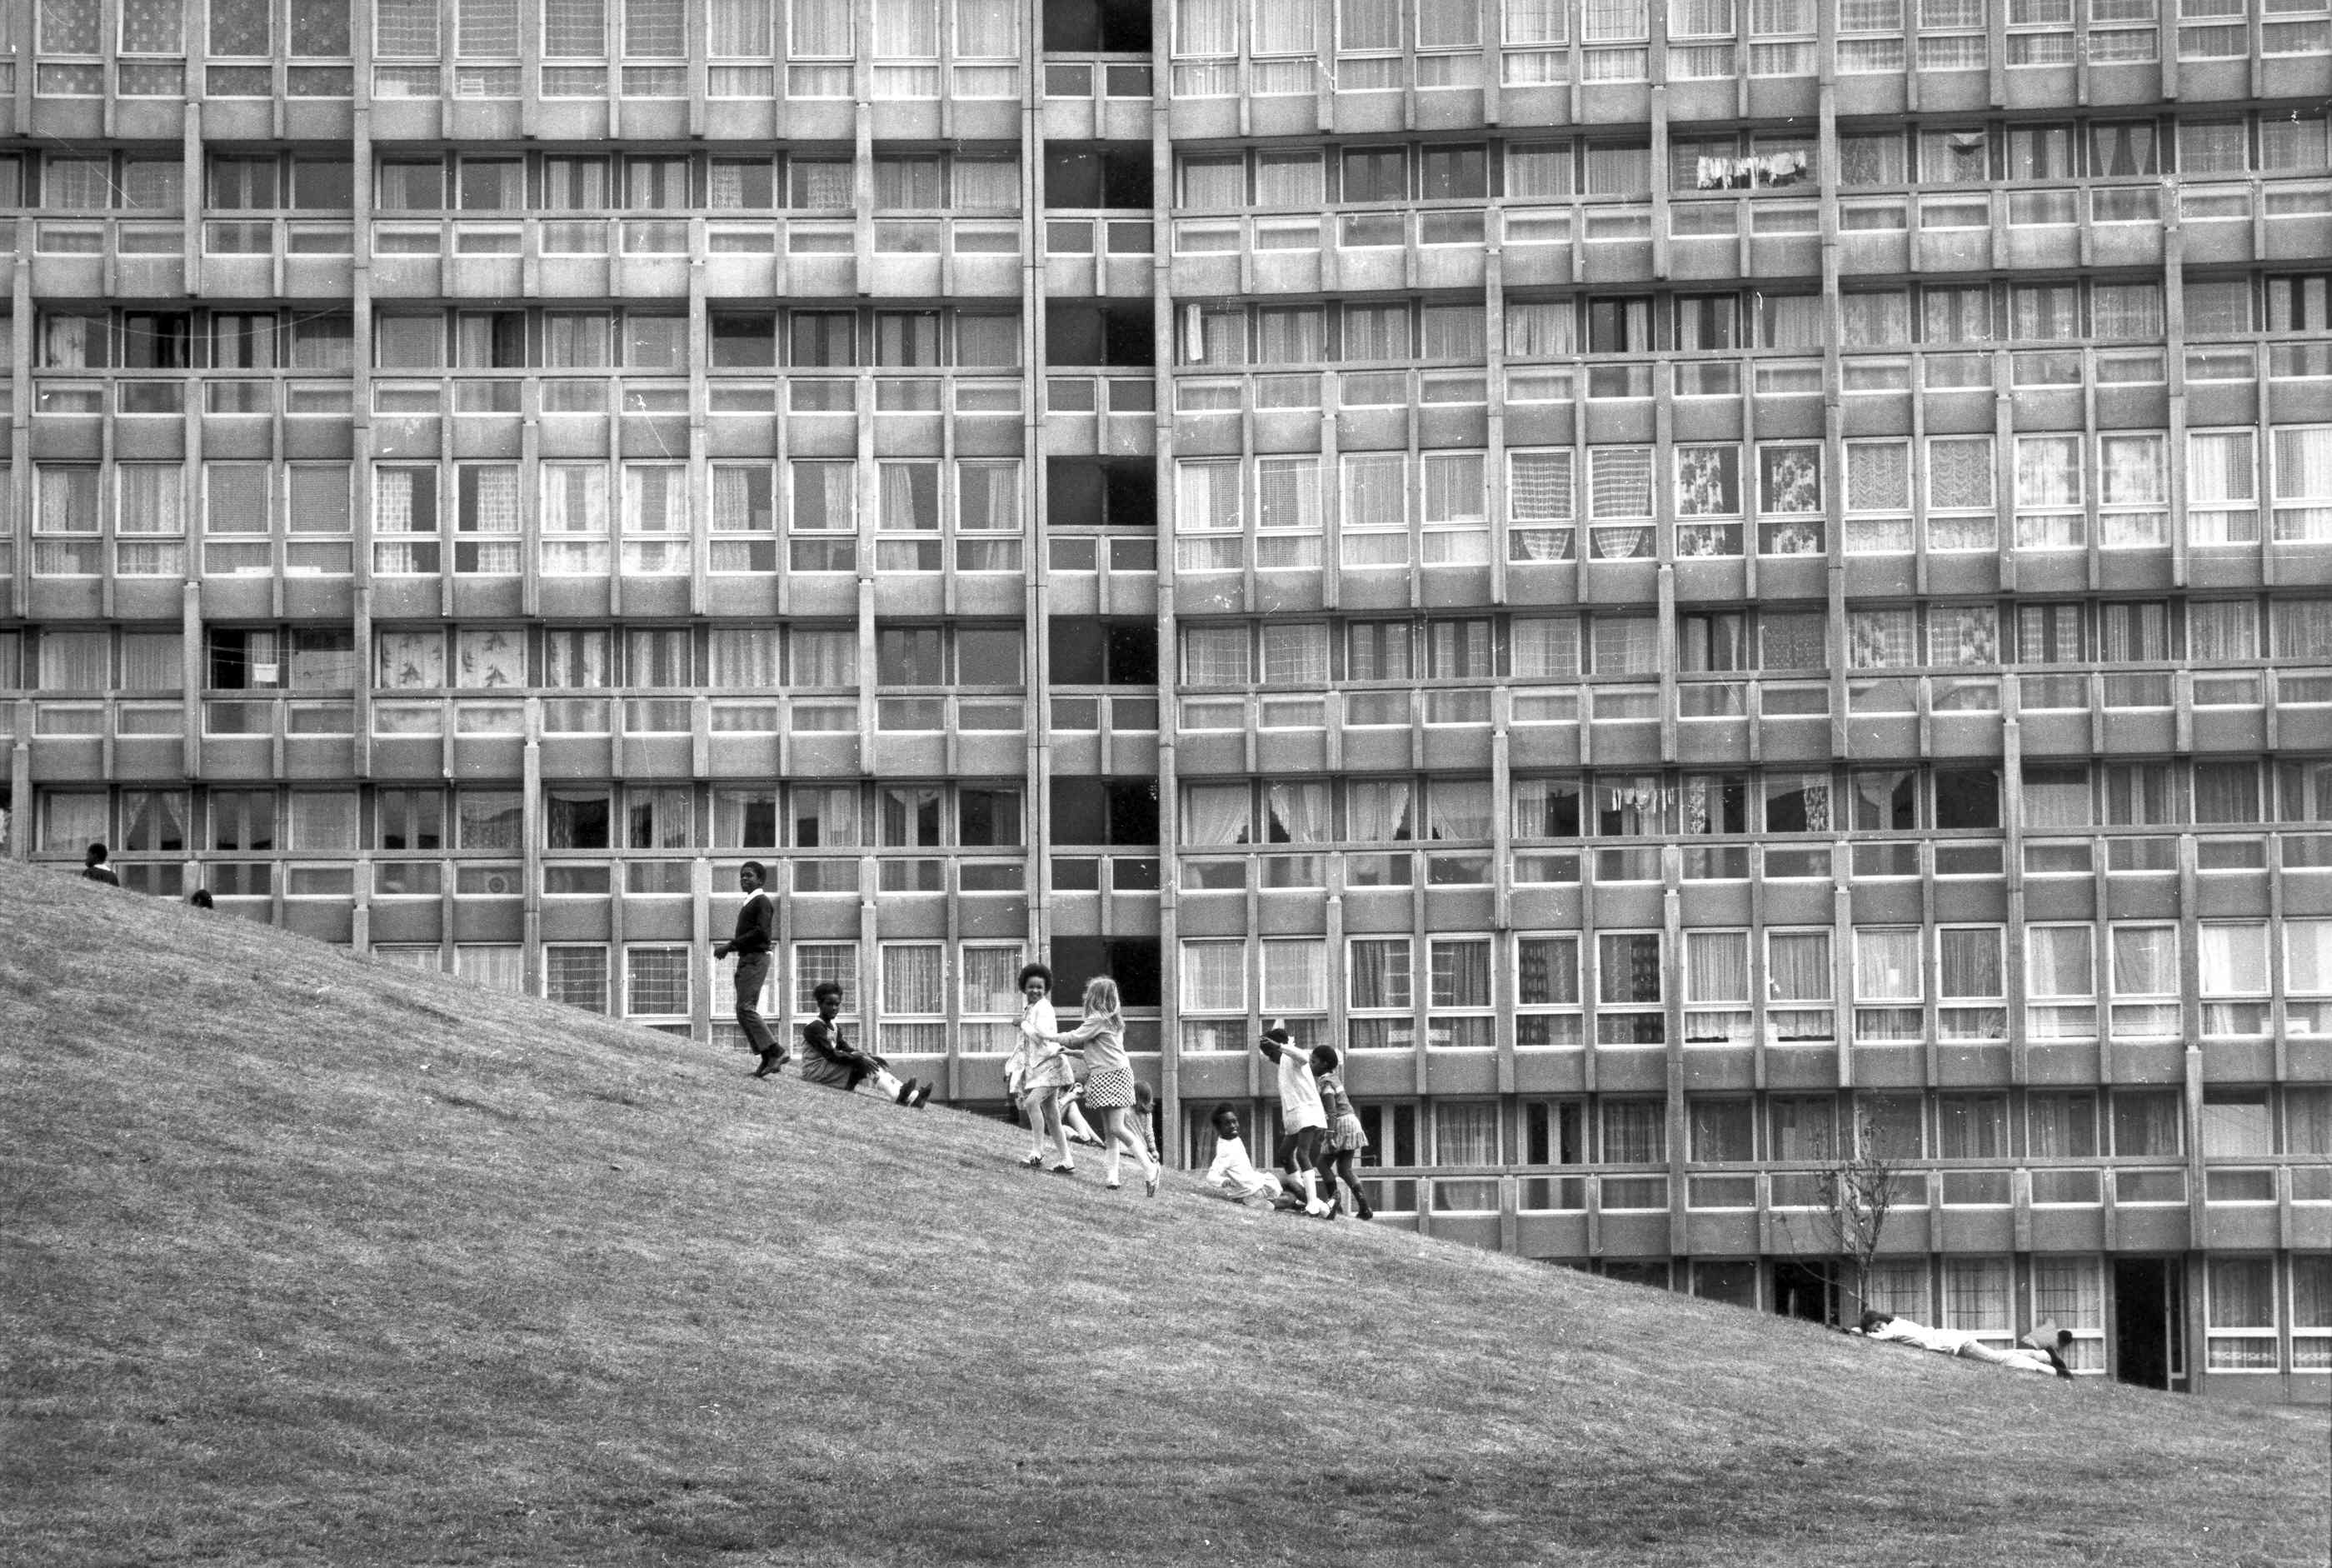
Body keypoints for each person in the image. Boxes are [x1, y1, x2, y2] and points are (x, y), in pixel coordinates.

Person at [1039, 976, 1160, 1196]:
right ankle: (1112, 1178)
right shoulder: (1111, 1023)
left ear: (1096, 998)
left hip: (1111, 1077)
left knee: (1116, 1128)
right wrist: (1073, 1053)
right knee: (1110, 1132)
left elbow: (1075, 1037)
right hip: (1109, 1075)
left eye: (1089, 994)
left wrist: (1047, 1036)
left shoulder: (1098, 1019)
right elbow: (1098, 1053)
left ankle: (1150, 1168)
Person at [798, 981, 931, 1108]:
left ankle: (911, 1096)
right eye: (829, 1004)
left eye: (837, 1004)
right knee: (861, 1062)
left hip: (827, 1070)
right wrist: (860, 1058)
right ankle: (898, 1095)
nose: (834, 1008)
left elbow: (845, 1048)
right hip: (815, 1072)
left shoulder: (834, 1026)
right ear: (820, 1004)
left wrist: (867, 1056)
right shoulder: (814, 1027)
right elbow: (831, 1055)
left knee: (866, 1061)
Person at [713, 861, 787, 1078]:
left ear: (760, 880)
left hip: (755, 959)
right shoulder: (750, 902)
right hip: (747, 959)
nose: (744, 879)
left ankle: (776, 1051)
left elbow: (761, 933)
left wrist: (730, 945)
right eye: (742, 876)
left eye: (749, 876)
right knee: (742, 1010)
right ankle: (766, 1057)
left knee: (746, 1007)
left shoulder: (761, 901)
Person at [1005, 962, 1078, 1174]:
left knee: (1031, 1103)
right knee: (1053, 1115)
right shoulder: (1029, 1009)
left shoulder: (1044, 1008)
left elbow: (1041, 1036)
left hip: (1052, 1066)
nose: (1035, 991)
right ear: (1023, 988)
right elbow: (1023, 1045)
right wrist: (1011, 1066)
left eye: (1040, 987)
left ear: (1046, 989)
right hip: (1040, 1069)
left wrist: (1023, 1024)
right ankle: (1067, 1160)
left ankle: (1037, 1153)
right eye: (1031, 987)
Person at [1256, 1021, 1331, 1216]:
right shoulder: (1283, 1065)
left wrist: (1279, 1047)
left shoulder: (1293, 1059)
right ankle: (1320, 1205)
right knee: (1284, 1154)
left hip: (1308, 1114)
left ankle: (1312, 1203)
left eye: (1270, 1054)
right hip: (1296, 1118)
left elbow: (1304, 1057)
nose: (1270, 1058)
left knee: (1301, 1155)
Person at [1853, 1311, 2060, 1376]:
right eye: (1874, 1329)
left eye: (1878, 1325)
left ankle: (2049, 1370)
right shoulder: (1898, 1324)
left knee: (1998, 1359)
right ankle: (2045, 1356)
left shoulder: (1895, 1328)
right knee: (1997, 1355)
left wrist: (1858, 1333)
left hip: (1958, 1343)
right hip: (1955, 1342)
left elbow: (1881, 1338)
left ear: (1883, 1320)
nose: (1879, 1330)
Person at [1309, 1045, 1375, 1221]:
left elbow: (1332, 1111)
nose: (1310, 1064)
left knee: (1322, 1164)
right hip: (1352, 1121)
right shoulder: (1334, 1078)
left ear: (1324, 1064)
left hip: (1340, 1123)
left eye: (1313, 1061)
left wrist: (1329, 1135)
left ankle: (1335, 1205)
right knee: (1345, 1169)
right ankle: (1365, 1208)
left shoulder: (1325, 1082)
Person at [1200, 1105, 1304, 1210]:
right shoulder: (1224, 1151)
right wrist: (1222, 1181)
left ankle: (1313, 1205)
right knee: (1290, 1198)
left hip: (1257, 1182)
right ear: (1219, 1128)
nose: (1233, 1126)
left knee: (1291, 1184)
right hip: (1249, 1192)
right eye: (1227, 1123)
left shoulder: (1233, 1139)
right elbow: (1211, 1176)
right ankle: (1262, 1203)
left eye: (1234, 1121)